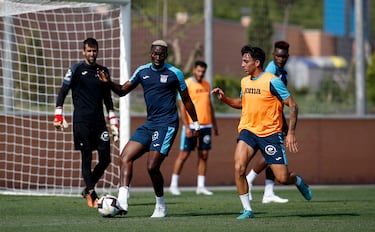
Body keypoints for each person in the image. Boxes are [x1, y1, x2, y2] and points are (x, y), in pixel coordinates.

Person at [97, 40, 200, 218]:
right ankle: (122, 202)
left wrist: (195, 122)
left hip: (167, 124)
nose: (157, 57)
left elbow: (187, 100)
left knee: (152, 167)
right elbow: (122, 91)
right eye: (155, 53)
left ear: (166, 55)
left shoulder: (175, 73)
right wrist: (108, 83)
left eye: (161, 54)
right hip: (150, 124)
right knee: (125, 157)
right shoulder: (142, 71)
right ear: (150, 53)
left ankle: (160, 205)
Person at [211, 45, 312, 220]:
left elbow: (293, 105)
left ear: (257, 63)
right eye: (242, 60)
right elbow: (242, 103)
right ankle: (247, 210)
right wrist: (225, 98)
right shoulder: (245, 81)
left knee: (281, 178)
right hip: (248, 130)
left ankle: (296, 180)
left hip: (271, 134)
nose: (242, 64)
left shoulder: (272, 81)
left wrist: (291, 133)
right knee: (239, 167)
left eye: (246, 61)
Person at [53, 37, 119, 208]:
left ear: (97, 51)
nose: (92, 54)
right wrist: (58, 114)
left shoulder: (103, 71)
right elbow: (63, 91)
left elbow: (107, 99)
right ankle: (92, 193)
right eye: (89, 51)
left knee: (105, 158)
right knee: (87, 158)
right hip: (82, 122)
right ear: (83, 52)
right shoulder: (75, 69)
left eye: (94, 50)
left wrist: (113, 122)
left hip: (99, 123)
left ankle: (87, 189)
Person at [246, 41, 290, 204]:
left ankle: (269, 192)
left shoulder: (283, 73)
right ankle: (249, 179)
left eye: (284, 56)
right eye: (278, 55)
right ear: (273, 55)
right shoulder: (270, 71)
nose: (281, 58)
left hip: (276, 118)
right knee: (271, 154)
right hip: (265, 121)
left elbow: (280, 100)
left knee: (274, 155)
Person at [169, 61, 219, 196]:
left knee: (204, 155)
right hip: (191, 125)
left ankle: (201, 186)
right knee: (184, 155)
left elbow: (210, 106)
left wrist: (215, 124)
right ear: (193, 70)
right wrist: (186, 126)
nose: (200, 73)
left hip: (206, 125)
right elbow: (182, 107)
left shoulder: (207, 84)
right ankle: (173, 185)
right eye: (198, 71)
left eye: (203, 71)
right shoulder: (186, 83)